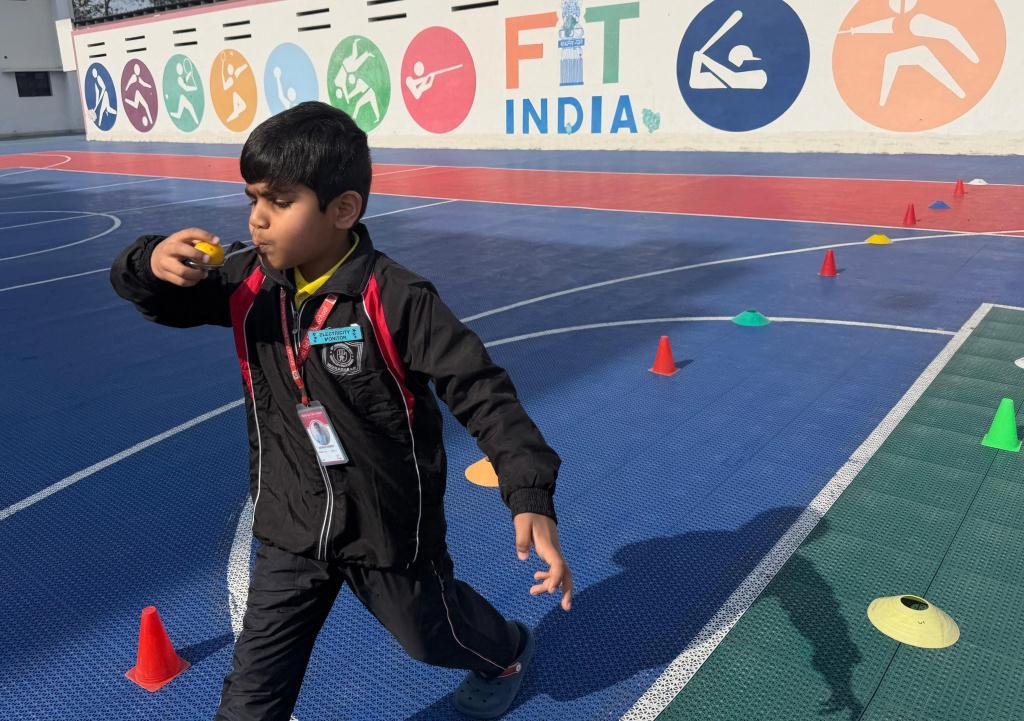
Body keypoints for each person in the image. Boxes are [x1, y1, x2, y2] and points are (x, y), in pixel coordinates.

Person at [109, 101, 572, 721]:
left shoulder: (397, 299)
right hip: (291, 518)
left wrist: (528, 490)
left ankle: (505, 649)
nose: (257, 219)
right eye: (253, 199)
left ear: (343, 210)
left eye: (279, 202)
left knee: (431, 636)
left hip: (384, 527)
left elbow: (481, 390)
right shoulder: (248, 283)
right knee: (252, 695)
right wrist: (148, 263)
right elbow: (160, 299)